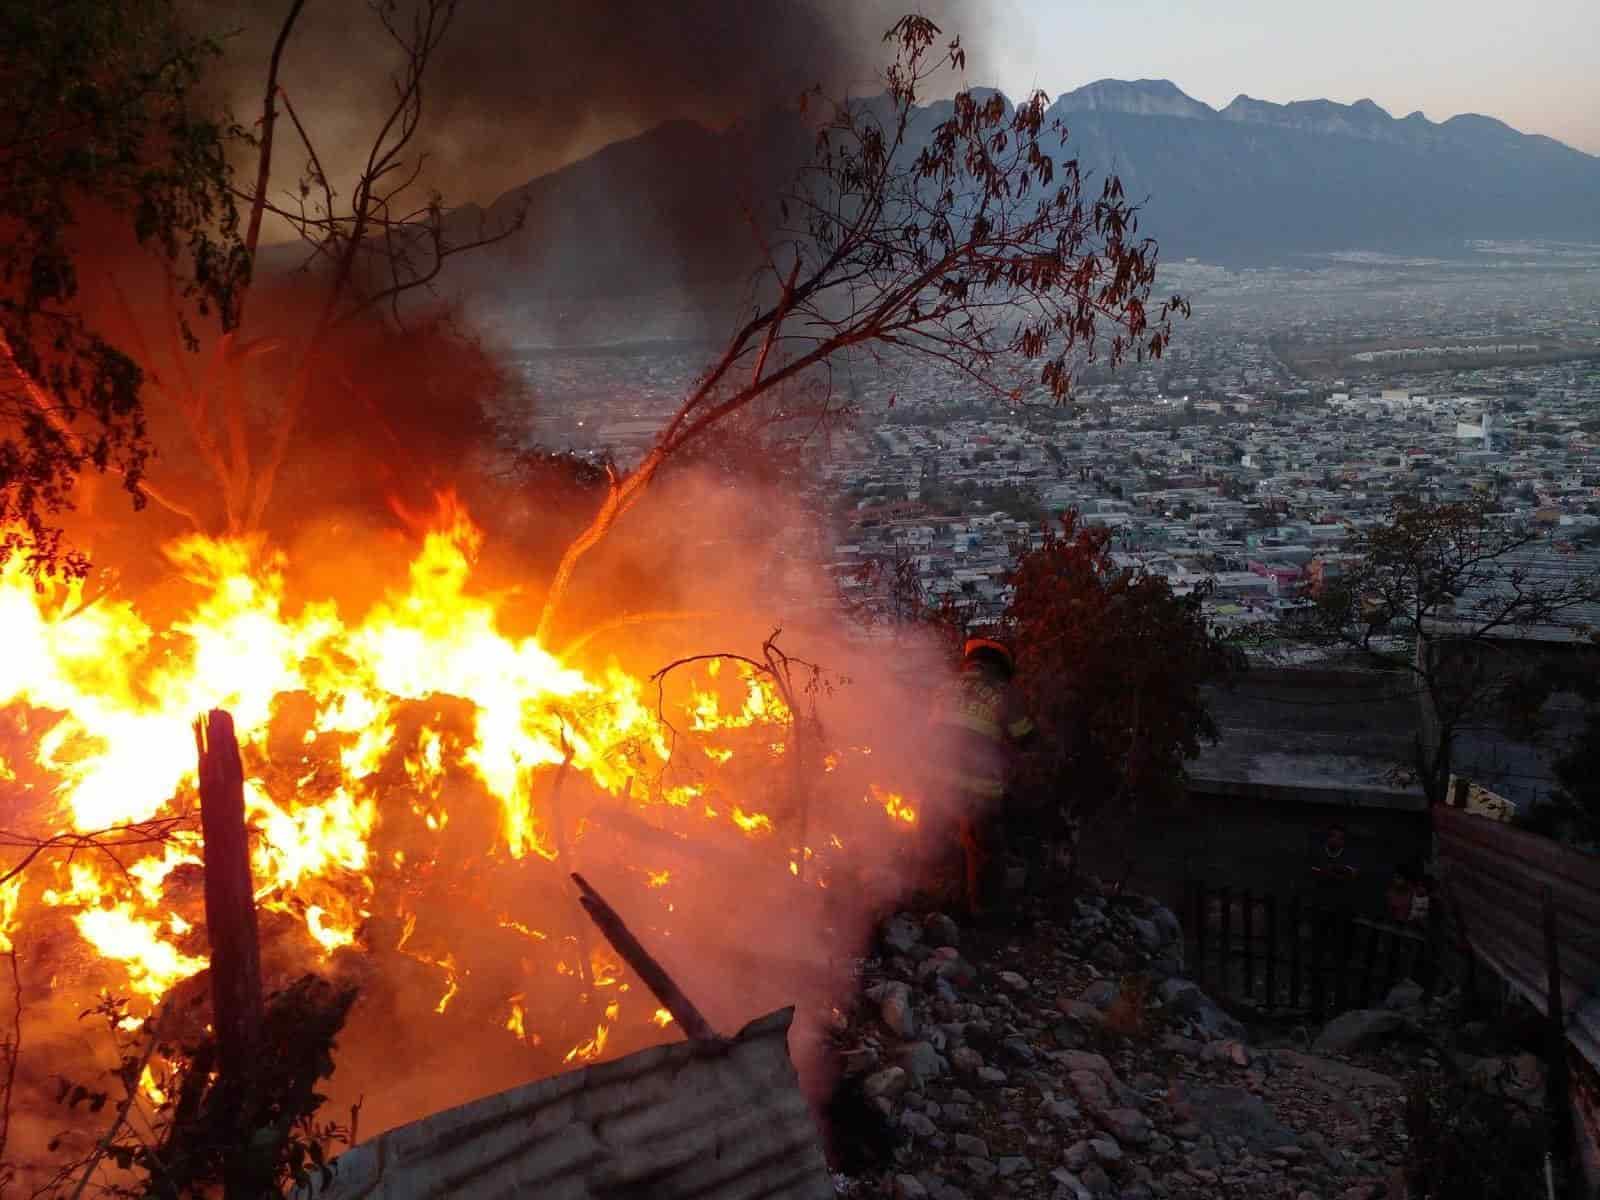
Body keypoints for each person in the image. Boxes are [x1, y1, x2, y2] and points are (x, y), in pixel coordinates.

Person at [928, 636, 1036, 915]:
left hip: (937, 784)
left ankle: (934, 905)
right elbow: (1025, 737)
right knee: (985, 852)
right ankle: (983, 914)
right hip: (978, 787)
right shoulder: (1002, 694)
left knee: (935, 845)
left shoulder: (944, 689)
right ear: (1001, 667)